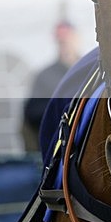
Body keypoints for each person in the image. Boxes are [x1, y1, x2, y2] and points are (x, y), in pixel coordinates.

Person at [22, 20, 81, 152]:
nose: (65, 45)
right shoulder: (44, 76)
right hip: (57, 147)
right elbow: (32, 113)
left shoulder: (90, 71)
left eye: (68, 40)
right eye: (61, 42)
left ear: (77, 39)